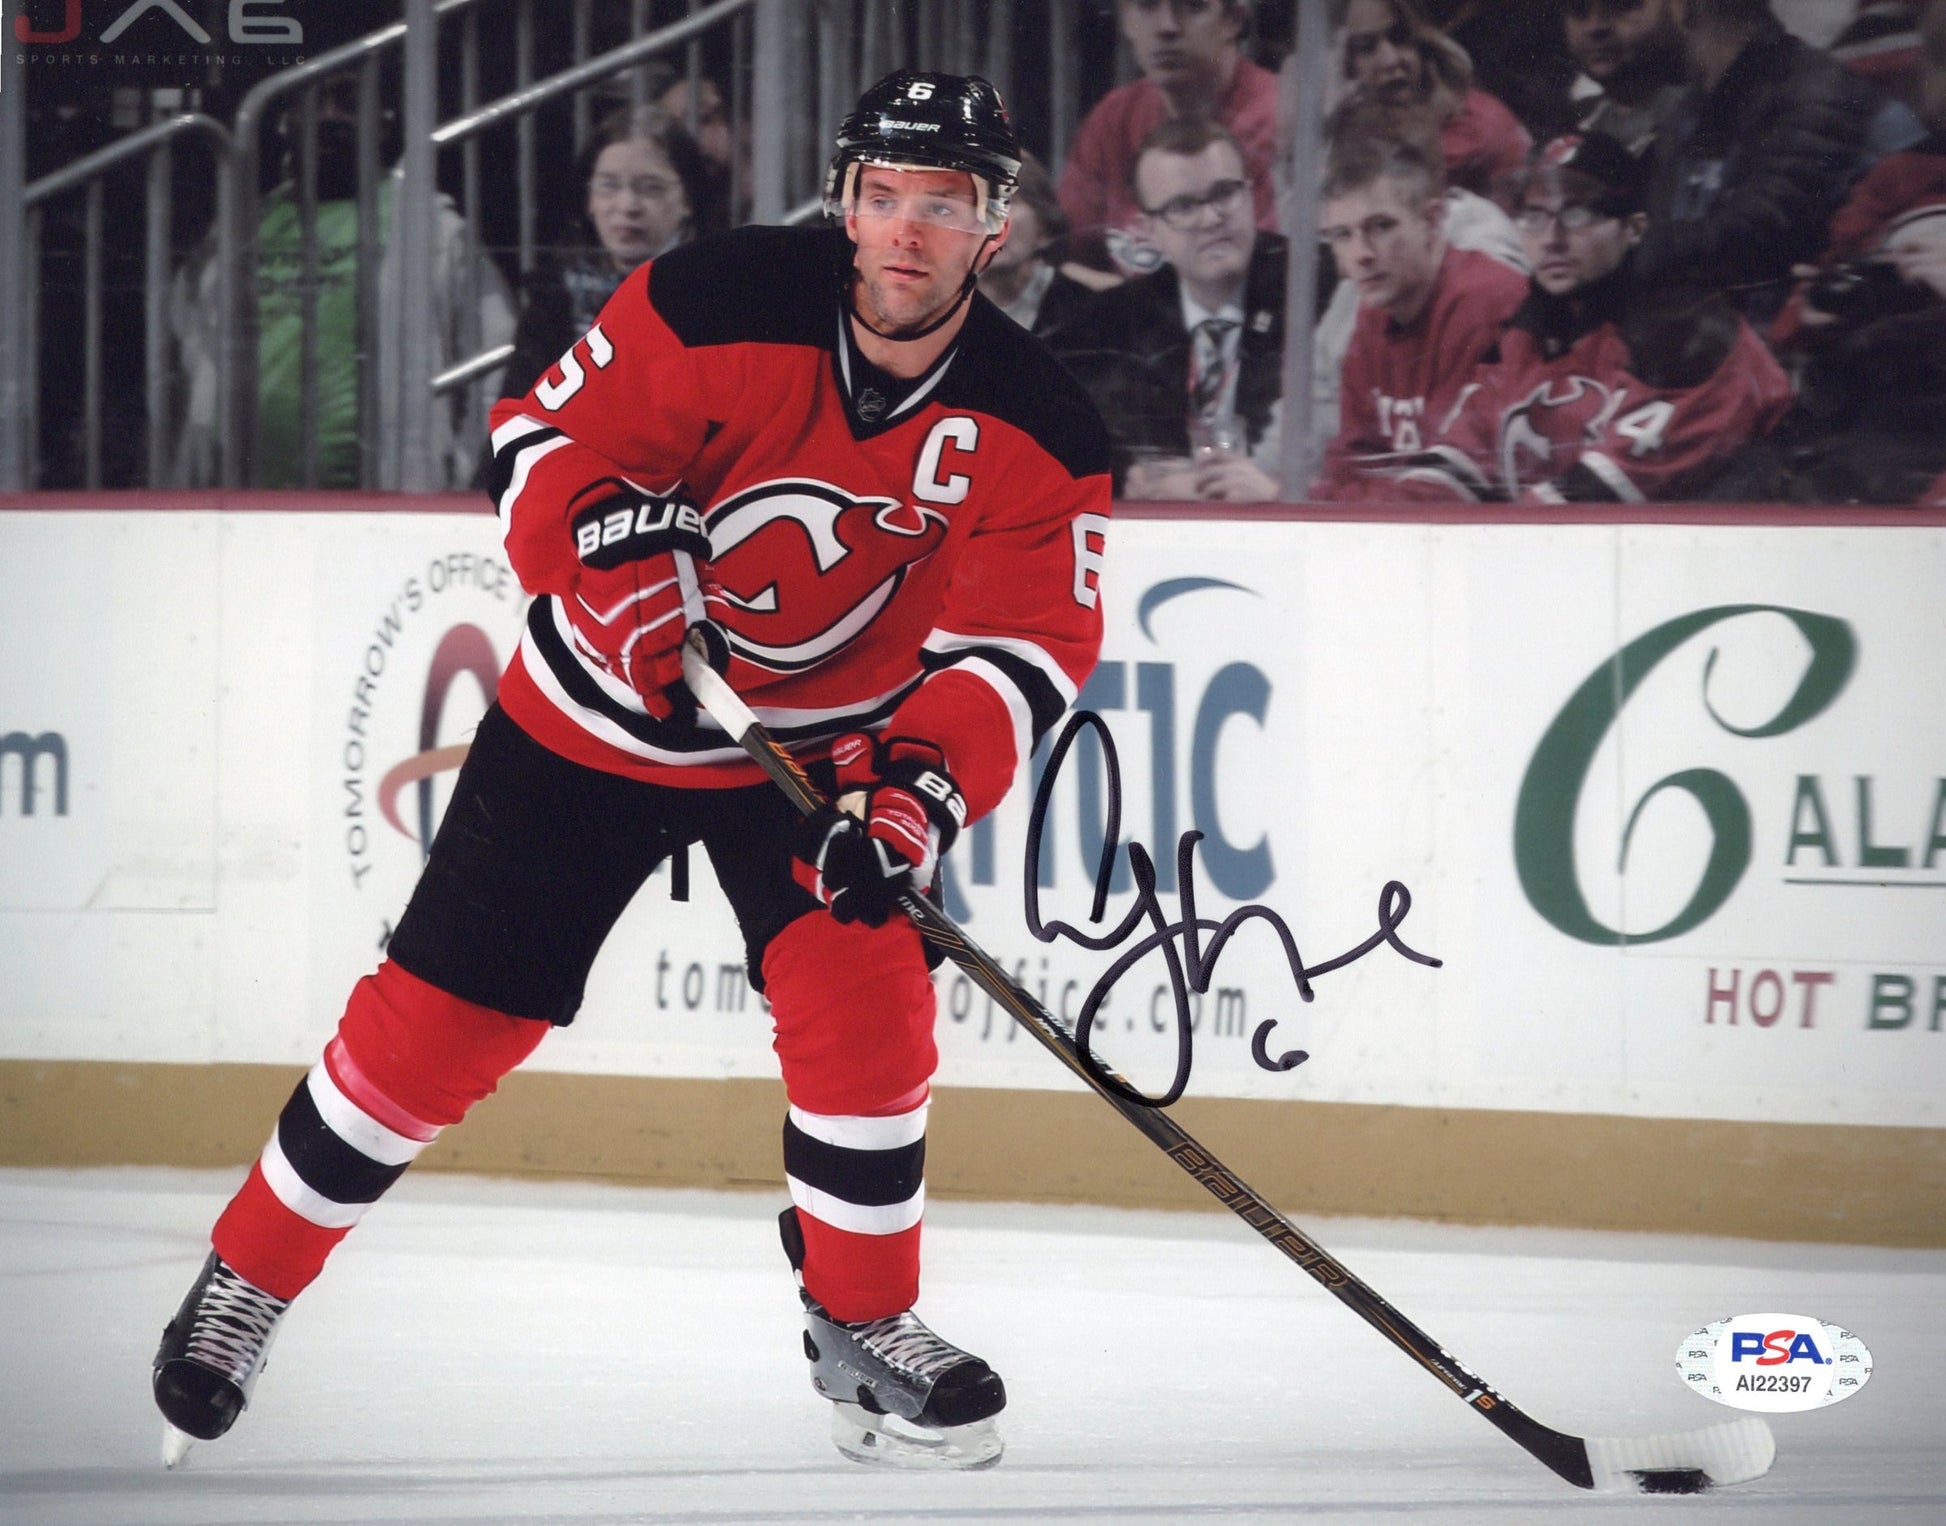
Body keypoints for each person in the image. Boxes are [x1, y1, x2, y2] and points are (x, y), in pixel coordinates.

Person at [150, 71, 1112, 1472]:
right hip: (592, 724)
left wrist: (912, 795)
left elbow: (1022, 650)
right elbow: (540, 443)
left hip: (817, 758)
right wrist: (605, 556)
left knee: (868, 1013)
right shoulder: (713, 296)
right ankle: (246, 1276)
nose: (907, 230)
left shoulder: (1043, 423)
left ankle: (863, 1316)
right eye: (884, 196)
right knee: (439, 1022)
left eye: (944, 203)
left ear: (996, 227)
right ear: (845, 204)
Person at [1385, 132, 1792, 503]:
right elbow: (1458, 458)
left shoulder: (1689, 331)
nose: (1552, 238)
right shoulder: (1526, 332)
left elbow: (1596, 504)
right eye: (1534, 216)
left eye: (1577, 214)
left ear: (1634, 229)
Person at [168, 68, 516, 489]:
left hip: (385, 497)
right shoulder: (240, 228)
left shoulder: (433, 229)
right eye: (313, 104)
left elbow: (495, 354)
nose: (329, 117)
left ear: (383, 123)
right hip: (240, 494)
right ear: (287, 121)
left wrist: (462, 466)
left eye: (349, 103)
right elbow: (182, 346)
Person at [1050, 118, 1287, 501]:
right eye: (1183, 206)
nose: (1211, 219)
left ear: (1251, 194)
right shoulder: (1109, 322)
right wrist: (1134, 477)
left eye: (1224, 193)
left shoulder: (1313, 288)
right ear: (1148, 229)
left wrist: (1277, 493)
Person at [1636, 0, 1895, 323]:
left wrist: (1634, 252)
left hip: (1776, 338)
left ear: (1682, 7)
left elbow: (1764, 230)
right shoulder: (1688, 110)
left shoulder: (1814, 88)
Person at [1313, 125, 1528, 498]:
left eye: (1381, 227)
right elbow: (1349, 465)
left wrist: (1292, 497)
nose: (1361, 254)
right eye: (1342, 235)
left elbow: (1442, 491)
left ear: (1432, 220)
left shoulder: (1485, 300)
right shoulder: (1375, 310)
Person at [497, 106, 718, 402]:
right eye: (608, 186)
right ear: (589, 199)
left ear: (688, 200)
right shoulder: (554, 300)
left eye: (651, 188)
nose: (627, 206)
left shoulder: (716, 292)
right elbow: (518, 415)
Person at [1058, 0, 1282, 276]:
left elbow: (1248, 283)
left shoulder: (1278, 120)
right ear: (1126, 20)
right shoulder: (1114, 117)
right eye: (1147, 5)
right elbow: (1061, 257)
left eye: (1193, 6)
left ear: (1234, 20)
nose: (1167, 27)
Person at [1334, 0, 1533, 201]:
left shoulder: (1480, 124)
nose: (1390, 60)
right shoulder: (1334, 139)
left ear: (1421, 42)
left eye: (1400, 36)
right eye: (1366, 47)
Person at [975, 152, 1111, 335]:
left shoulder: (1085, 311)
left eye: (1006, 202)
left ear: (1044, 228)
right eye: (975, 202)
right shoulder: (939, 306)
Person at [1564, 0, 1689, 155]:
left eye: (1624, 5)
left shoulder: (1692, 118)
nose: (1595, 27)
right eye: (1579, 10)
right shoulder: (1574, 123)